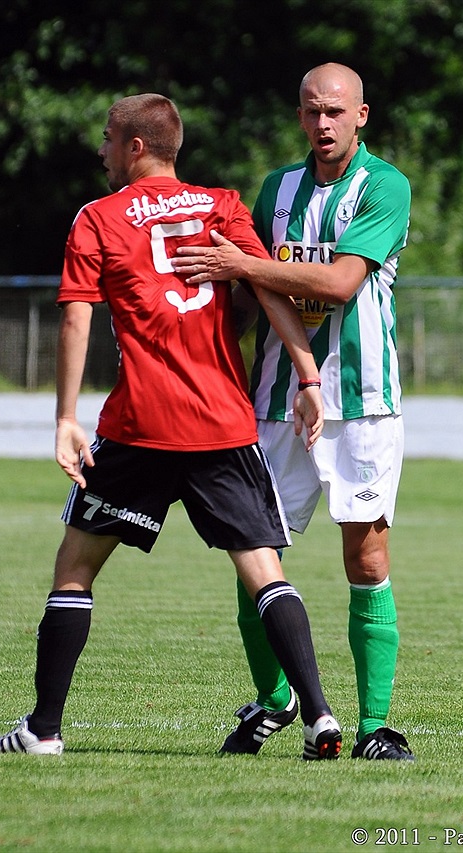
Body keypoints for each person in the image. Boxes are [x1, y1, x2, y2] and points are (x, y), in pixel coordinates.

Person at [0, 93, 342, 761]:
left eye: (109, 139)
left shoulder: (98, 217)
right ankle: (319, 714)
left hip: (140, 425)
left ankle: (44, 730)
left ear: (135, 147)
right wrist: (308, 377)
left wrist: (64, 417)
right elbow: (269, 289)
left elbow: (76, 319)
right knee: (264, 568)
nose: (102, 150)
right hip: (223, 425)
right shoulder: (223, 206)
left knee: (75, 569)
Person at [172, 64, 415, 761]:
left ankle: (373, 726)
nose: (324, 123)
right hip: (274, 404)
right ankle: (275, 702)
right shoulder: (276, 188)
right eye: (312, 111)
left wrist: (244, 265)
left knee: (366, 556)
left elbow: (339, 283)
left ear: (362, 114)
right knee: (256, 555)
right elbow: (248, 292)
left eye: (336, 111)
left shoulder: (386, 185)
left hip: (361, 405)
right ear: (300, 115)